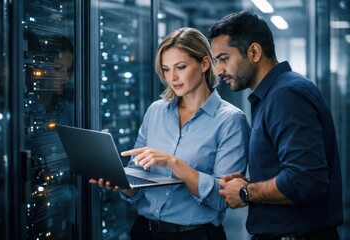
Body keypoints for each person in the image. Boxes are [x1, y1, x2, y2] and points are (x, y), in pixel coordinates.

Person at [90, 27, 250, 240]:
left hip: (196, 235)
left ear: (204, 64)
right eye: (166, 69)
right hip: (144, 231)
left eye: (180, 67)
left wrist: (174, 164)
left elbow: (223, 199)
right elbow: (137, 183)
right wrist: (123, 184)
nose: (172, 77)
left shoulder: (230, 120)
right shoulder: (156, 111)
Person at [208, 11, 344, 240]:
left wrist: (245, 192)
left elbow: (306, 180)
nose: (219, 70)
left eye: (224, 58)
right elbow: (292, 173)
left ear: (254, 52)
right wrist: (252, 185)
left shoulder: (286, 95)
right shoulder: (274, 94)